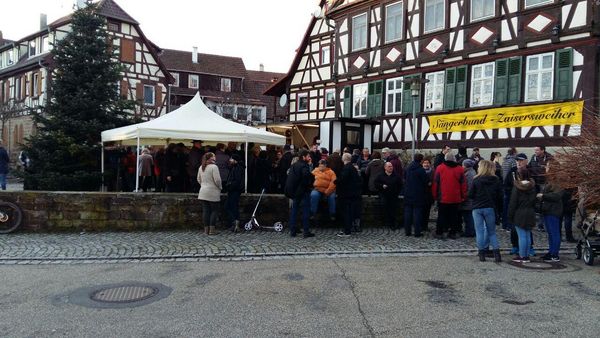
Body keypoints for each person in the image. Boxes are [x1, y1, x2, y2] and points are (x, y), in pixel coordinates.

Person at [469, 160, 503, 262]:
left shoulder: (476, 180)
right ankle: (497, 254)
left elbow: (470, 195)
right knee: (491, 232)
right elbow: (500, 196)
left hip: (477, 208)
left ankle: (481, 255)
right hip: (490, 207)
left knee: (479, 232)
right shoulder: (496, 180)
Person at [505, 153, 536, 256]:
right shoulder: (512, 171)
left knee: (526, 231)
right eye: (517, 160)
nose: (518, 162)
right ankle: (515, 246)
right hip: (515, 201)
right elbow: (506, 185)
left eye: (520, 160)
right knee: (515, 229)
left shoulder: (529, 172)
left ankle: (528, 249)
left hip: (524, 204)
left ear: (526, 161)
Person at [432, 151, 467, 239]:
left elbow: (435, 183)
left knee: (441, 216)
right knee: (454, 216)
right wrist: (463, 196)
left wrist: (435, 195)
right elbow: (463, 184)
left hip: (443, 197)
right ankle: (453, 232)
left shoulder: (440, 168)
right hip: (456, 197)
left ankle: (439, 232)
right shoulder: (460, 169)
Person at [285, 149, 315, 238]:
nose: (309, 158)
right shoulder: (304, 166)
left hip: (295, 192)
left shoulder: (294, 165)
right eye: (308, 156)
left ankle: (293, 230)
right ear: (303, 157)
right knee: (305, 211)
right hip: (303, 191)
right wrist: (311, 179)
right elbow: (306, 176)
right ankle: (306, 231)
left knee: (294, 211)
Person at [538, 161, 564, 262]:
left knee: (554, 232)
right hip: (548, 209)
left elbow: (557, 196)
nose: (546, 168)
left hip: (554, 210)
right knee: (550, 233)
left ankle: (555, 254)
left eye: (548, 166)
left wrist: (543, 196)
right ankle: (551, 251)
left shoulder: (558, 181)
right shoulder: (550, 180)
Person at [508, 177, 537, 263]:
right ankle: (526, 255)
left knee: (521, 236)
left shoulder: (517, 188)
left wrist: (510, 216)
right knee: (527, 235)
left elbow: (513, 203)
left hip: (519, 213)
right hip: (530, 212)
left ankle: (522, 255)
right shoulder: (532, 187)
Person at [336, 153, 363, 236]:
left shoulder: (347, 168)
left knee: (346, 212)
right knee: (350, 212)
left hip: (346, 194)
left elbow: (343, 180)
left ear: (343, 159)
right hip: (353, 194)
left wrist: (336, 182)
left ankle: (346, 230)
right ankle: (349, 228)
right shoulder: (352, 168)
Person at [403, 154, 429, 237]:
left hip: (408, 193)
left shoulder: (408, 168)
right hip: (418, 194)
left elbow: (404, 178)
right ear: (421, 160)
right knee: (417, 214)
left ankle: (407, 231)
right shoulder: (421, 170)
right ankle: (417, 232)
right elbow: (426, 181)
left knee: (408, 213)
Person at [529, 145, 554, 231]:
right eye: (535, 150)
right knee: (536, 203)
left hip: (545, 183)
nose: (535, 152)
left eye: (537, 150)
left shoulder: (550, 158)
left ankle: (542, 223)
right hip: (535, 183)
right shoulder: (533, 157)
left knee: (543, 202)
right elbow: (529, 167)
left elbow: (555, 169)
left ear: (542, 150)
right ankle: (537, 223)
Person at [197, 152, 222, 235]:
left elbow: (198, 179)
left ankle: (206, 230)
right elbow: (217, 180)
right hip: (212, 192)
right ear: (211, 158)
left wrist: (203, 185)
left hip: (203, 192)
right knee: (214, 211)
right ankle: (212, 230)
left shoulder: (201, 167)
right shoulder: (214, 167)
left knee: (206, 211)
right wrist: (220, 187)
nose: (215, 157)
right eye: (214, 156)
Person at [224, 154, 244, 232]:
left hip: (234, 190)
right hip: (233, 190)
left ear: (235, 160)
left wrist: (229, 186)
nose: (230, 160)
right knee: (230, 206)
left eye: (231, 159)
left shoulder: (237, 168)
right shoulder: (235, 167)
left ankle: (235, 223)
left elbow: (237, 181)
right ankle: (235, 223)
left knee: (230, 206)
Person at [501, 148, 518, 231]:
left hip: (505, 185)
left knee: (505, 205)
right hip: (511, 186)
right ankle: (509, 224)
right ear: (514, 153)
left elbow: (502, 173)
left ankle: (504, 224)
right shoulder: (513, 161)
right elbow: (514, 174)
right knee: (510, 206)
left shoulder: (504, 161)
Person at [461, 159, 476, 237]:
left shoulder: (469, 175)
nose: (462, 167)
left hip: (468, 200)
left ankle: (470, 231)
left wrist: (464, 197)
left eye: (463, 165)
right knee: (469, 216)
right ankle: (470, 230)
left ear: (466, 166)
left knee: (468, 216)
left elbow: (469, 188)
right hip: (470, 199)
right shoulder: (471, 172)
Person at [421, 159, 435, 231]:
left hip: (429, 195)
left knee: (427, 212)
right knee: (421, 211)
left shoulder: (433, 172)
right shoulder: (420, 171)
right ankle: (420, 225)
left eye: (427, 163)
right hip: (421, 195)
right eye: (424, 163)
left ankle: (425, 226)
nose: (426, 164)